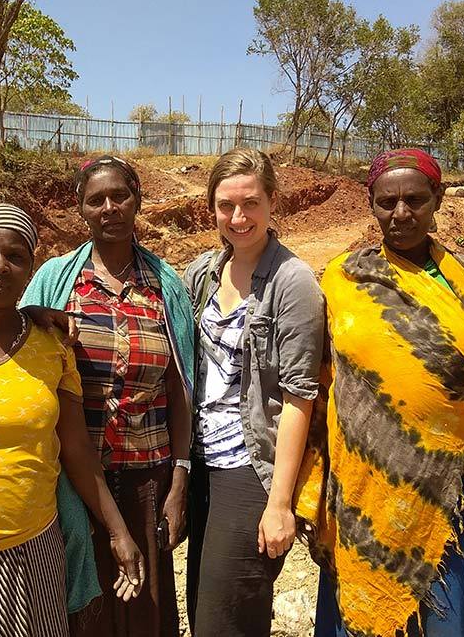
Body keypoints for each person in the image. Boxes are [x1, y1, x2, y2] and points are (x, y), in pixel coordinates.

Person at [304, 148, 464, 637]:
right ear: (371, 204)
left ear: (437, 198)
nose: (401, 213)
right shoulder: (343, 278)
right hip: (363, 493)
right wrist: (310, 491)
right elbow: (320, 385)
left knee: (447, 616)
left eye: (415, 200)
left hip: (450, 495)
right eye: (387, 201)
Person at [0, 202, 145, 637]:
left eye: (16, 257)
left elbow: (76, 450)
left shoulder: (53, 345)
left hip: (34, 548)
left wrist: (117, 531)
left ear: (31, 270)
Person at [21, 156, 195, 637]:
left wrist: (179, 479)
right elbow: (19, 346)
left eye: (120, 196)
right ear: (81, 209)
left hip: (148, 476)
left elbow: (180, 386)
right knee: (83, 607)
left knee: (145, 607)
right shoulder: (56, 281)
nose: (109, 207)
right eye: (96, 199)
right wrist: (38, 314)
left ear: (137, 201)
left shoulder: (166, 285)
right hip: (72, 480)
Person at [183, 147, 325, 637]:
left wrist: (279, 503)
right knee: (204, 605)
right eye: (226, 206)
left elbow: (298, 396)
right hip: (203, 462)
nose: (238, 217)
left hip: (250, 468)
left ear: (272, 203)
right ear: (212, 208)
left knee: (225, 623)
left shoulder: (293, 282)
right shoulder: (202, 272)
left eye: (251, 204)